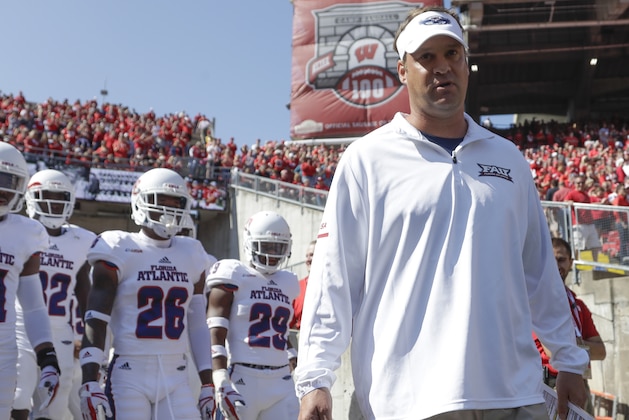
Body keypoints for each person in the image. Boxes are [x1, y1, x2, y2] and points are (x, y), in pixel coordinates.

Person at [294, 7, 589, 420]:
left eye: (452, 54)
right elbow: (334, 278)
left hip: (511, 394)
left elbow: (538, 271)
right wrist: (315, 378)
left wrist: (569, 359)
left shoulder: (509, 159)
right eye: (426, 57)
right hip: (406, 400)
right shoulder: (367, 159)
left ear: (466, 64)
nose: (442, 68)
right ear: (402, 70)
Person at [79, 168, 216, 420]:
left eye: (176, 203)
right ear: (141, 202)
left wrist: (208, 382)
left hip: (177, 374)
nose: (169, 210)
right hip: (130, 373)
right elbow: (96, 318)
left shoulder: (192, 252)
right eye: (161, 202)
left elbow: (197, 324)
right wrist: (89, 379)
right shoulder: (118, 247)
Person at [12, 169, 96, 420]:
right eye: (46, 196)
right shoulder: (19, 230)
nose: (53, 203)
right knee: (17, 397)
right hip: (20, 326)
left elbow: (85, 294)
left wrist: (87, 336)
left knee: (56, 406)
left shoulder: (83, 240)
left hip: (61, 331)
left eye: (59, 198)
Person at [205, 210, 300, 420]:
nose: (272, 253)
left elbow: (279, 329)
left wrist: (293, 355)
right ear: (249, 243)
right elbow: (214, 330)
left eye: (278, 247)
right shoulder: (234, 273)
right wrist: (219, 375)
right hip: (242, 377)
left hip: (281, 379)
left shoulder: (288, 281)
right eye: (265, 246)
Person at [0, 142, 60, 419]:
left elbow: (33, 305)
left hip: (3, 350)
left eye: (9, 180)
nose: (3, 188)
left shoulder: (26, 233)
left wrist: (46, 354)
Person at [534, 237, 606, 416]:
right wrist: (578, 346)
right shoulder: (534, 301)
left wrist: (568, 343)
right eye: (552, 259)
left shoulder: (578, 305)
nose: (557, 265)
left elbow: (601, 352)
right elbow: (549, 349)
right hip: (548, 385)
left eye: (561, 259)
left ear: (571, 263)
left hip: (579, 381)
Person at [564, 176, 602, 259]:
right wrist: (569, 202)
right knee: (578, 245)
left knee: (594, 245)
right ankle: (574, 265)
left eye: (582, 183)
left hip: (589, 223)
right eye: (578, 183)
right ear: (575, 184)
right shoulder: (572, 193)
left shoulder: (585, 194)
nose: (580, 185)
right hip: (579, 224)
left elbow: (589, 205)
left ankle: (596, 265)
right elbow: (566, 201)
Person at [290, 239, 316, 330]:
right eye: (307, 256)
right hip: (301, 340)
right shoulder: (297, 287)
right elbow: (289, 324)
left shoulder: (333, 287)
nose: (308, 260)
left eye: (312, 255)